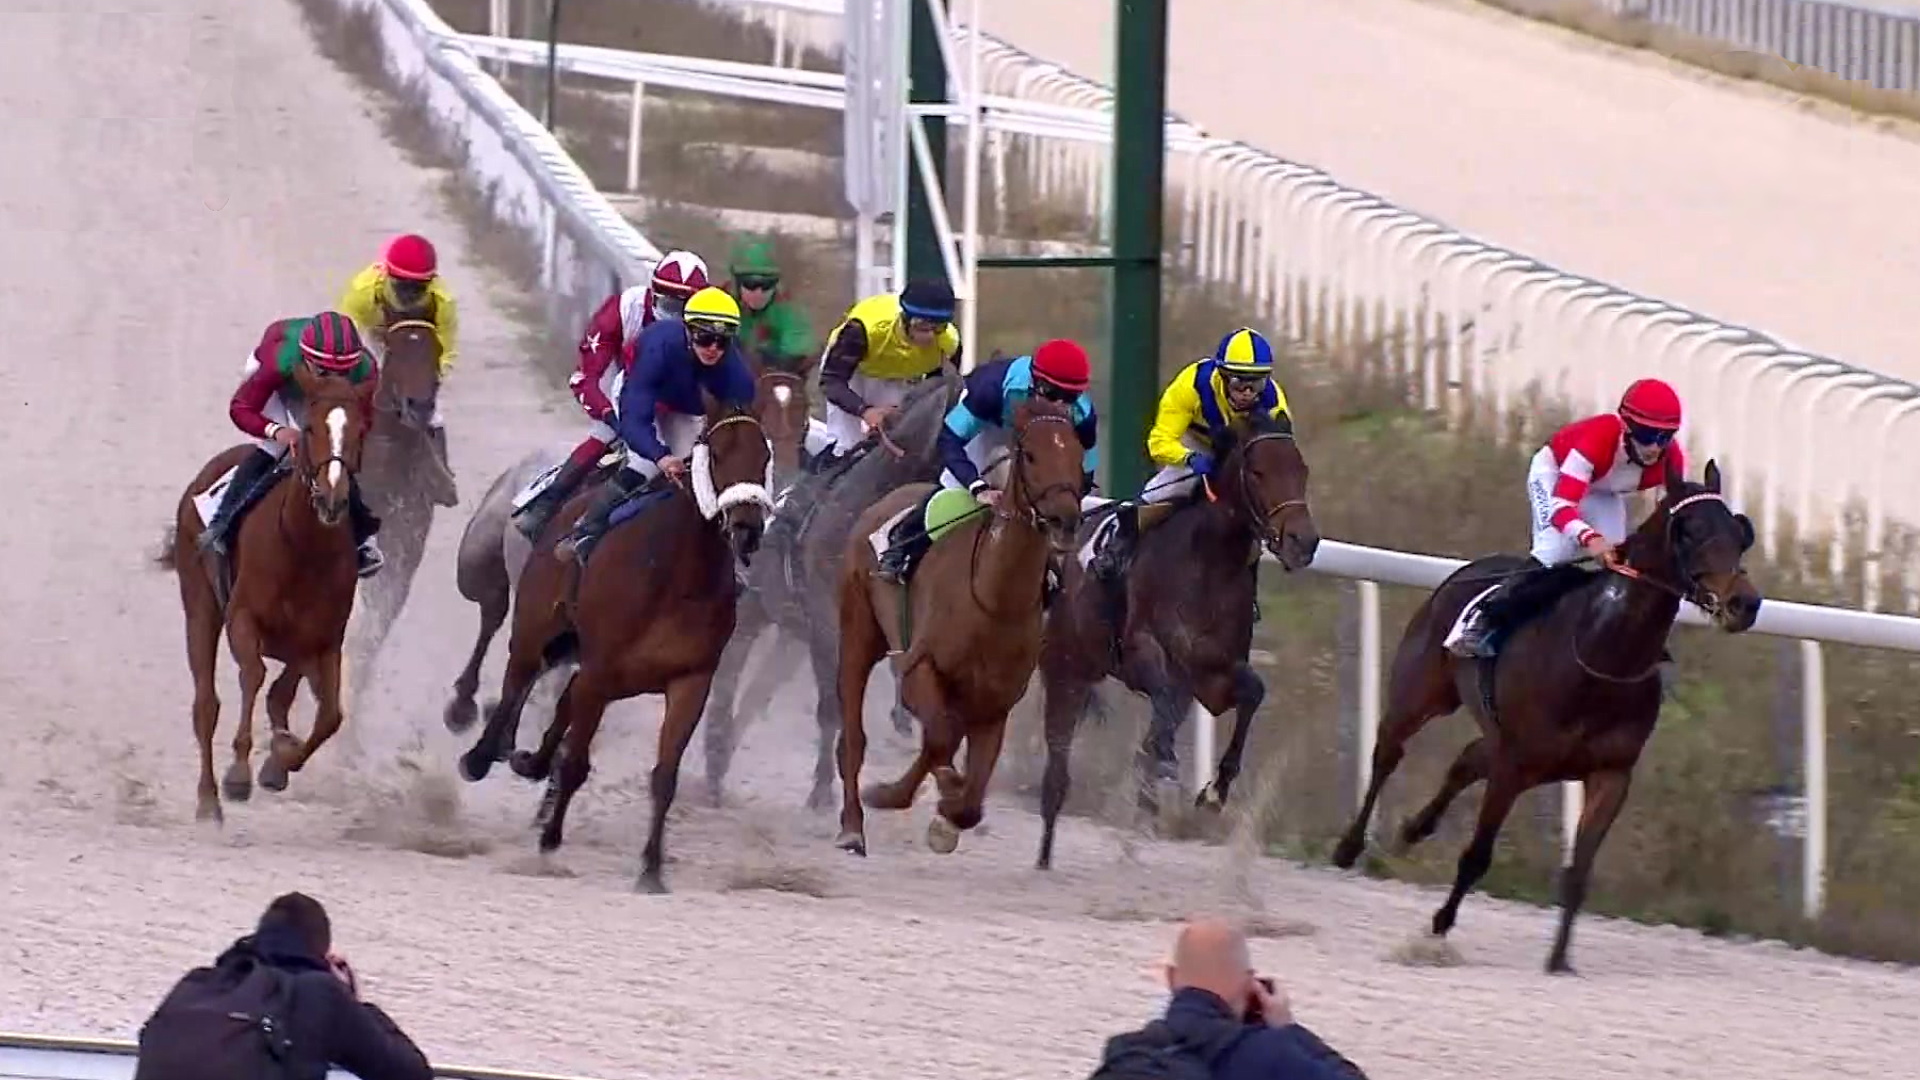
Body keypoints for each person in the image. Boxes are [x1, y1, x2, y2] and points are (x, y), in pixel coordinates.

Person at [1446, 376, 1688, 659]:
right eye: (1648, 435)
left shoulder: (1672, 459)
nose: (1656, 447)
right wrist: (1590, 538)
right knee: (1557, 549)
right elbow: (1562, 509)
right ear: (1627, 427)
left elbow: (1670, 519)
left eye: (1665, 437)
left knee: (1618, 562)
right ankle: (1484, 619)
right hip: (1556, 475)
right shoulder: (1598, 439)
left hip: (1601, 490)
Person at [134, 891, 432, 1080]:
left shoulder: (196, 982)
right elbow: (412, 1074)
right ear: (320, 952)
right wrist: (353, 1001)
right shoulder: (319, 993)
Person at [557, 286, 758, 563]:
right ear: (688, 330)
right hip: (643, 398)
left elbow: (739, 427)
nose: (713, 349)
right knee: (646, 464)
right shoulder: (658, 345)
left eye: (722, 341)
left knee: (702, 466)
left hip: (688, 408)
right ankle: (585, 530)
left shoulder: (737, 374)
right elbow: (635, 416)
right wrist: (660, 455)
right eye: (704, 338)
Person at [874, 338, 1099, 584]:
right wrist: (977, 486)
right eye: (1054, 393)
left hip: (1039, 436)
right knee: (953, 487)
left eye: (1071, 396)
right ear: (1035, 381)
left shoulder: (1082, 413)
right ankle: (902, 543)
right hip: (989, 427)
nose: (1060, 404)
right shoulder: (990, 390)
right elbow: (949, 439)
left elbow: (1085, 466)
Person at [1089, 327, 1292, 583]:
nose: (1248, 393)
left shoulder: (1274, 404)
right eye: (1240, 383)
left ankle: (1249, 588)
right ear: (1223, 376)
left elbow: (1281, 458)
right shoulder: (1192, 385)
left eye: (1256, 383)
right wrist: (1189, 459)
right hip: (1195, 443)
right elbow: (1159, 440)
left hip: (1241, 456)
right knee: (1158, 493)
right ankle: (1115, 550)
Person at [197, 311, 386, 578]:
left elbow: (364, 422)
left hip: (327, 396)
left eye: (341, 374)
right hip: (283, 382)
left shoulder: (366, 371)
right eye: (323, 372)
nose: (330, 380)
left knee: (337, 453)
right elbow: (241, 408)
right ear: (307, 360)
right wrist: (276, 431)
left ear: (352, 367)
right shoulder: (280, 360)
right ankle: (221, 524)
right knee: (276, 449)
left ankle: (363, 539)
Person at [1087, 916, 1367, 1080]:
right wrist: (1289, 1029)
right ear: (1249, 984)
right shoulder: (1271, 1054)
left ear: (1172, 979)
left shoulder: (1124, 1050)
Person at [512, 281, 654, 540]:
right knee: (603, 434)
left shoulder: (704, 318)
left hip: (675, 400)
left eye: (683, 304)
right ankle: (547, 504)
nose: (677, 312)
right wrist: (610, 415)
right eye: (670, 304)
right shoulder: (623, 310)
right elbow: (586, 380)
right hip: (623, 384)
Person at [812, 277, 963, 473]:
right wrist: (865, 411)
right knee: (847, 444)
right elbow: (830, 382)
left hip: (896, 373)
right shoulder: (862, 330)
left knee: (899, 439)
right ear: (905, 318)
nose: (930, 336)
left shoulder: (949, 343)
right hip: (853, 369)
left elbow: (938, 392)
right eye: (922, 326)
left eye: (939, 328)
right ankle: (818, 480)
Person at [337, 233, 458, 470]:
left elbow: (446, 350)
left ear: (431, 281)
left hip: (420, 346)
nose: (410, 293)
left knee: (432, 414)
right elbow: (345, 336)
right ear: (387, 275)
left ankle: (441, 476)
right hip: (376, 335)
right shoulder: (364, 291)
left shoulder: (443, 301)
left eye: (418, 287)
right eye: (403, 286)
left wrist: (431, 379)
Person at [725, 236, 816, 372]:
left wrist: (774, 357)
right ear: (737, 283)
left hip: (772, 380)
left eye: (767, 285)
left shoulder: (787, 309)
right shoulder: (721, 304)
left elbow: (802, 347)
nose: (758, 293)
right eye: (750, 284)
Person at [640, 248, 713, 325]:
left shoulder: (709, 319)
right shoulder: (635, 306)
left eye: (681, 305)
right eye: (668, 303)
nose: (673, 312)